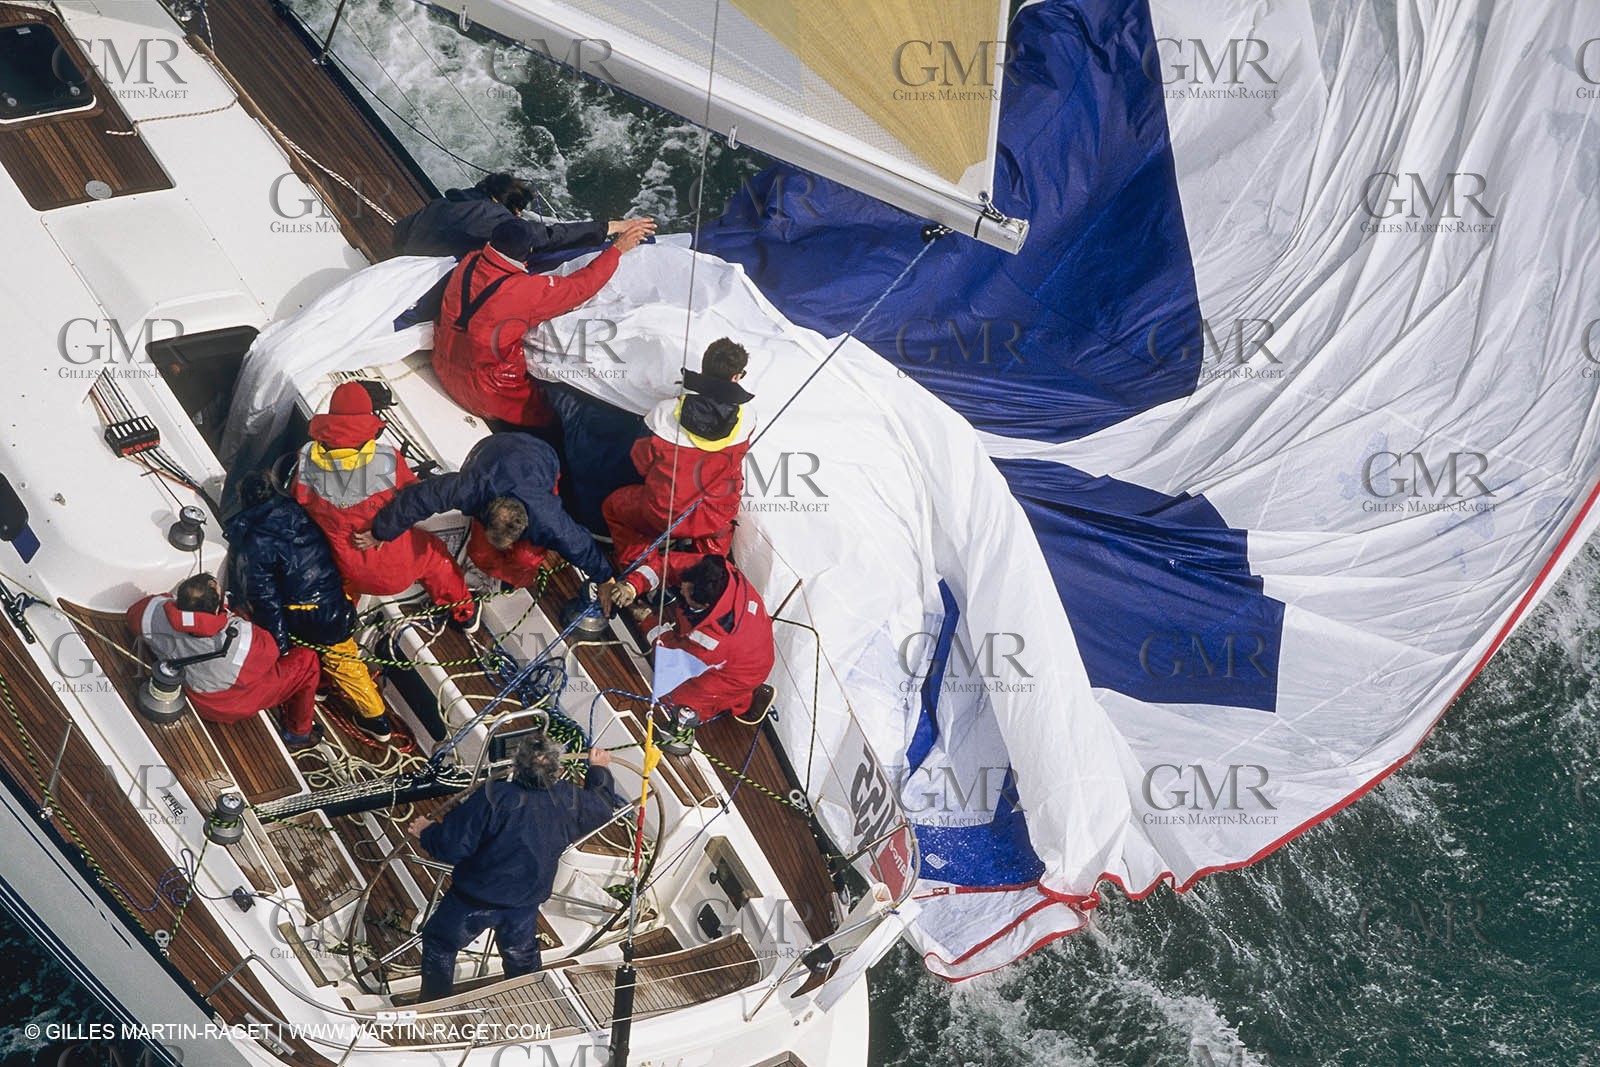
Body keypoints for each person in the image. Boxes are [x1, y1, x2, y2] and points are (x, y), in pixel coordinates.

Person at [409, 738, 617, 1001]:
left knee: (439, 944)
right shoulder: (570, 800)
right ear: (558, 769)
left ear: (516, 768)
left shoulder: (492, 797)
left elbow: (452, 847)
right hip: (524, 902)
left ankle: (433, 1005)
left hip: (471, 899)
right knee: (522, 957)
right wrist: (598, 769)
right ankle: (530, 1002)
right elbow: (601, 808)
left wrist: (427, 831)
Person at [293, 381, 479, 633]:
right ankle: (464, 613)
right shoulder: (387, 459)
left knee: (344, 572)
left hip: (345, 569)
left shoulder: (306, 459)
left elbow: (300, 500)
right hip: (394, 569)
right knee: (434, 554)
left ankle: (345, 621)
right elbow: (414, 496)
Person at [431, 217, 650, 429]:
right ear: (528, 252)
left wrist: (611, 227)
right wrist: (617, 250)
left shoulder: (470, 261)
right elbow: (582, 287)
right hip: (488, 393)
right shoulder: (525, 291)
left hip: (441, 365)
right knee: (552, 415)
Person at [226, 471, 395, 744]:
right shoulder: (299, 511)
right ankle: (375, 717)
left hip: (302, 618)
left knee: (306, 659)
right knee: (346, 662)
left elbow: (265, 599)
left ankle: (340, 705)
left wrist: (279, 647)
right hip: (334, 606)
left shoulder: (256, 541)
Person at [358, 433, 620, 596]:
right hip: (491, 450)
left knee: (526, 558)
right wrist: (382, 531)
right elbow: (421, 498)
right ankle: (491, 569)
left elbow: (580, 545)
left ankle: (512, 579)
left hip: (541, 458)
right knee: (481, 553)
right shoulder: (471, 488)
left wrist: (605, 578)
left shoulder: (548, 519)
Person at [128, 573, 324, 750]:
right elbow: (271, 657)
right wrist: (232, 616)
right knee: (307, 662)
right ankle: (298, 733)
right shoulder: (242, 639)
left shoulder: (152, 612)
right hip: (224, 705)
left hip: (187, 687)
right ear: (216, 607)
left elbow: (135, 615)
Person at [602, 339, 756, 565]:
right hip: (717, 514)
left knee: (614, 507)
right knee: (719, 530)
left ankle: (641, 571)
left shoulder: (664, 414)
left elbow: (640, 462)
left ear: (704, 368)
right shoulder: (748, 418)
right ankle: (706, 568)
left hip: (665, 515)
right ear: (736, 377)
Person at [610, 553, 774, 753]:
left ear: (705, 606)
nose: (681, 589)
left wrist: (647, 620)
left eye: (687, 595)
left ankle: (743, 700)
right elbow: (667, 564)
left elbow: (670, 658)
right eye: (684, 585)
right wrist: (633, 586)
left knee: (671, 701)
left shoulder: (714, 639)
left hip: (740, 672)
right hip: (750, 645)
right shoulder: (708, 572)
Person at [391, 172, 655, 261]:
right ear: (512, 209)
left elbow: (400, 230)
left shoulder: (442, 203)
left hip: (398, 258)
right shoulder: (495, 218)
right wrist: (612, 226)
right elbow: (550, 235)